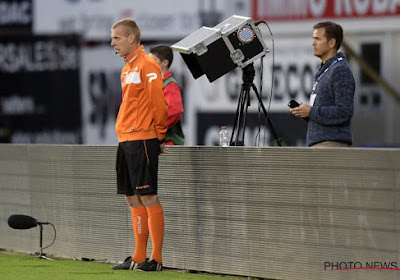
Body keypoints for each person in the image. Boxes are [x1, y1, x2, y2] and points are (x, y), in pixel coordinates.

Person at [110, 18, 168, 272]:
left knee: (148, 196)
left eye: (117, 38)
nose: (113, 43)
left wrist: (159, 135)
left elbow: (159, 103)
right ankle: (138, 256)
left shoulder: (147, 65)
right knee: (132, 198)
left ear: (132, 38)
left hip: (143, 138)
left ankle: (156, 259)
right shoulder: (127, 68)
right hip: (125, 139)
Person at [290, 21, 355, 147]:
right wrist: (306, 112)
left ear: (331, 43)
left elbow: (344, 112)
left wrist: (312, 111)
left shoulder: (340, 70)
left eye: (317, 39)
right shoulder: (326, 70)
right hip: (321, 143)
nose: (313, 43)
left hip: (331, 144)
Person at [149, 45, 185, 146]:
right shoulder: (155, 83)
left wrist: (152, 128)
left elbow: (174, 111)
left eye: (153, 60)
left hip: (167, 145)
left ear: (165, 63)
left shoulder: (170, 85)